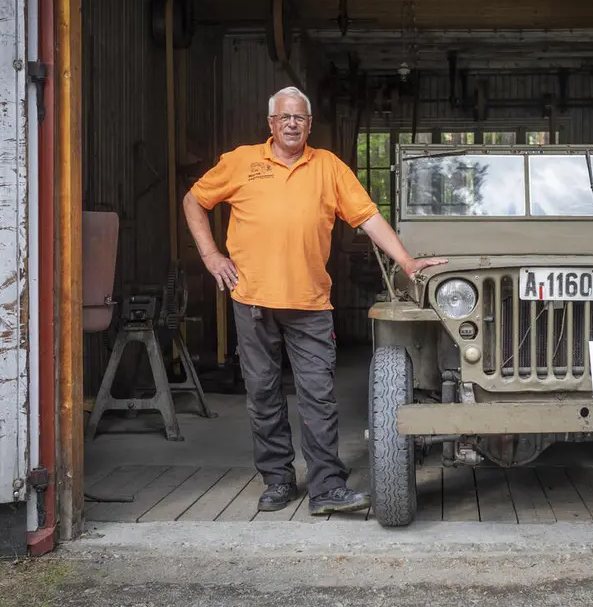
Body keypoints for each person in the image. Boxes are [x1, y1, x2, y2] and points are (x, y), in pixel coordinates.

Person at [182, 86, 446, 515]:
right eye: (284, 117)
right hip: (252, 300)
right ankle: (278, 480)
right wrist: (211, 255)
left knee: (319, 396)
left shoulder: (328, 167)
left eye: (300, 118)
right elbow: (194, 201)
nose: (291, 124)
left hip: (310, 305)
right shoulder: (241, 162)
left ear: (309, 124)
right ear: (271, 123)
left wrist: (407, 262)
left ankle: (326, 488)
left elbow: (369, 217)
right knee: (263, 393)